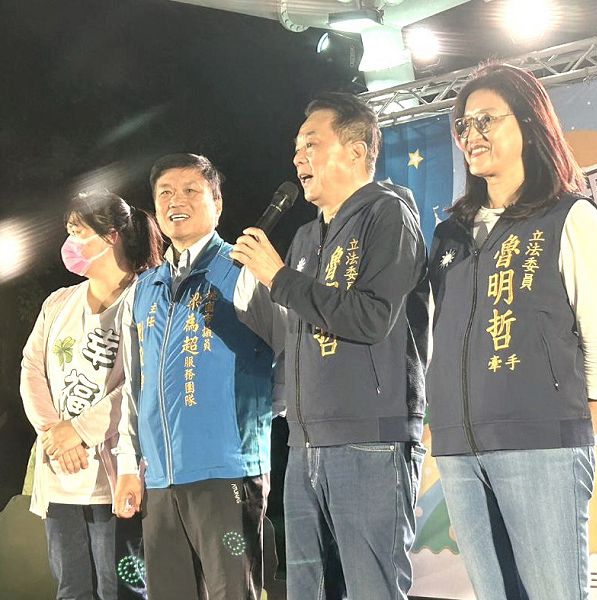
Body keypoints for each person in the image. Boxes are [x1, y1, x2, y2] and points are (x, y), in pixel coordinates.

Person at [427, 63, 597, 600]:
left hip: (543, 446)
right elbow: (439, 338)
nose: (472, 135)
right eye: (463, 125)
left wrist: (571, 436)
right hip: (461, 450)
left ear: (530, 124)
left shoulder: (569, 216)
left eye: (486, 120)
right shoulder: (449, 235)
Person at [231, 92, 431, 600]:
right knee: (308, 588)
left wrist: (279, 278)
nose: (298, 156)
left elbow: (372, 316)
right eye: (297, 147)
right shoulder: (303, 238)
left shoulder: (388, 214)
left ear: (357, 150)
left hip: (370, 436)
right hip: (305, 442)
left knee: (371, 588)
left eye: (311, 144)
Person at [114, 153, 283, 600]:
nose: (177, 201)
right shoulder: (144, 288)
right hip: (160, 480)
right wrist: (130, 465)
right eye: (165, 193)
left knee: (233, 592)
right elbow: (134, 385)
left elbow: (290, 353)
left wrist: (256, 421)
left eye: (191, 190)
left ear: (217, 203)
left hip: (227, 473)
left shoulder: (244, 269)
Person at [20, 190, 163, 600]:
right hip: (60, 473)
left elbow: (142, 383)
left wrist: (80, 431)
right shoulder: (59, 302)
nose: (70, 242)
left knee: (122, 589)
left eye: (77, 231)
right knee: (71, 589)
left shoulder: (145, 298)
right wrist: (53, 431)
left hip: (116, 476)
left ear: (111, 236)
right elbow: (31, 368)